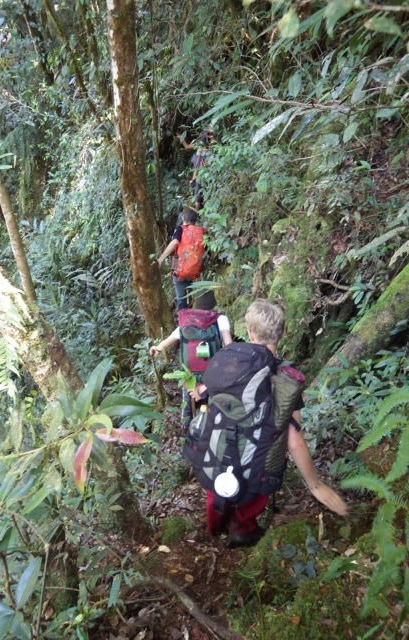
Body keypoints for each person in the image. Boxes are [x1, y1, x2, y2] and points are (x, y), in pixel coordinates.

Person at [187, 299, 348, 548]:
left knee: (215, 499)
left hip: (215, 455)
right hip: (257, 465)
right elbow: (294, 440)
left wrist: (199, 392)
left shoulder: (226, 360)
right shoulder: (285, 379)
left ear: (249, 331)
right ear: (284, 332)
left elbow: (207, 390)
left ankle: (214, 530)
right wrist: (315, 486)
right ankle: (241, 531)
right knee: (249, 505)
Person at [149, 290, 232, 429]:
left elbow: (168, 341)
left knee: (187, 407)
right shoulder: (220, 319)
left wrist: (157, 348)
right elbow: (229, 345)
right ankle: (213, 431)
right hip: (213, 375)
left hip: (189, 376)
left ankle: (186, 431)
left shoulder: (186, 322)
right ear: (214, 305)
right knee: (213, 405)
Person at [157, 206, 205, 310]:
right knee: (194, 295)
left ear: (183, 218)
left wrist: (161, 258)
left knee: (181, 298)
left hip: (180, 270)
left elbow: (175, 243)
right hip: (195, 271)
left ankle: (184, 320)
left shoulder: (180, 229)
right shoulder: (202, 231)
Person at [175, 129, 217, 210]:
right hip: (204, 173)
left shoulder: (203, 147)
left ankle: (198, 210)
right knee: (199, 190)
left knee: (198, 190)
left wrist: (194, 177)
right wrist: (181, 137)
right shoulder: (201, 146)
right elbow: (187, 147)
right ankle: (200, 209)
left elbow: (197, 164)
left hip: (204, 173)